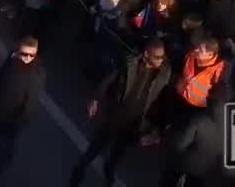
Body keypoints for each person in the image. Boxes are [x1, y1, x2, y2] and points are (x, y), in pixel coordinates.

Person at [71, 40, 171, 186]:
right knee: (97, 144)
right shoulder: (129, 63)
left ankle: (109, 169)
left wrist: (157, 131)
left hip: (135, 123)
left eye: (162, 57)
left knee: (119, 151)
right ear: (146, 54)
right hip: (116, 114)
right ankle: (80, 168)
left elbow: (163, 102)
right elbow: (109, 79)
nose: (160, 60)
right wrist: (95, 98)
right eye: (157, 57)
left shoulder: (163, 74)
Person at [0, 36, 46, 176]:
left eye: (31, 55)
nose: (27, 57)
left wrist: (20, 122)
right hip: (0, 106)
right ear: (18, 50)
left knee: (5, 140)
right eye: (24, 53)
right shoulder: (12, 57)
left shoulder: (36, 74)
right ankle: (4, 154)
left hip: (13, 116)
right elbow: (2, 72)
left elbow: (31, 102)